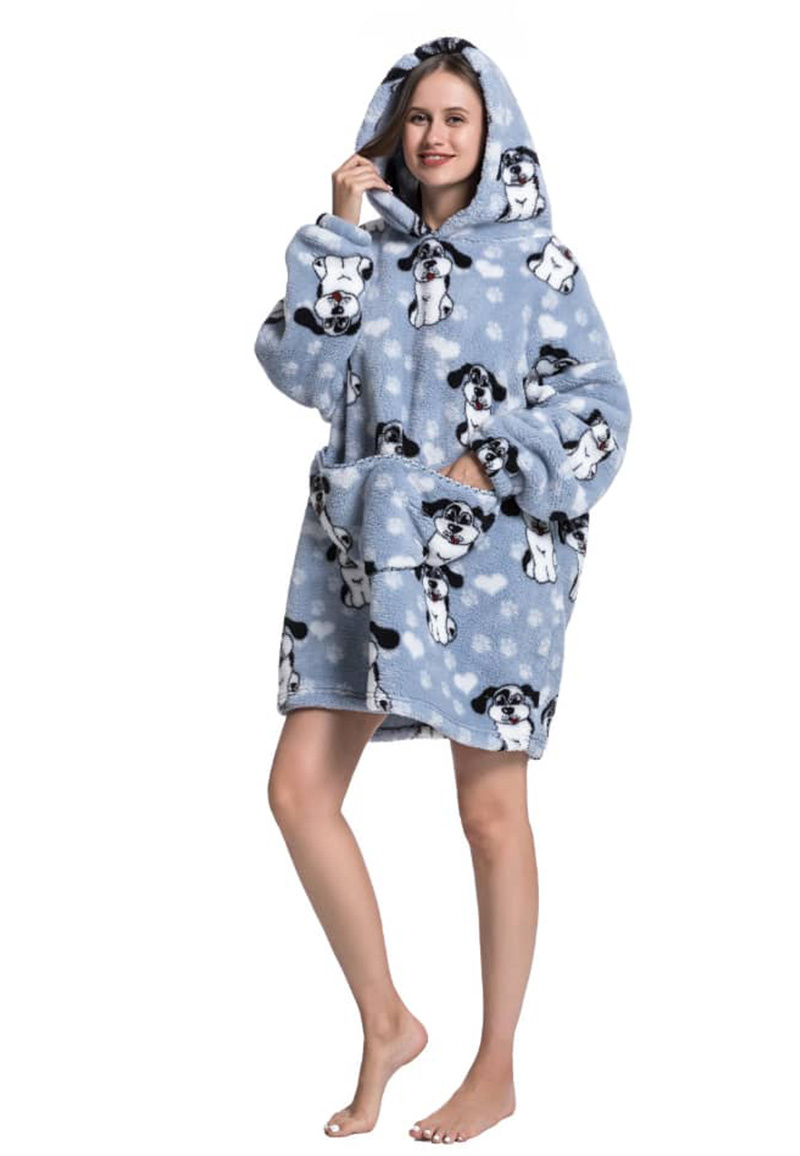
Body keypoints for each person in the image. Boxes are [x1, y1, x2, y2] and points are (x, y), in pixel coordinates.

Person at [254, 36, 632, 1143]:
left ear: (492, 132)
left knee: (489, 812)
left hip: (491, 563)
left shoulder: (539, 263)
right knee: (298, 791)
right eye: (417, 117)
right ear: (392, 129)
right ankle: (387, 1021)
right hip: (359, 553)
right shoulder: (358, 252)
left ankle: (496, 1066)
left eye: (455, 117)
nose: (433, 136)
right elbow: (299, 370)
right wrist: (335, 233)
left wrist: (496, 458)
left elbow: (601, 405)